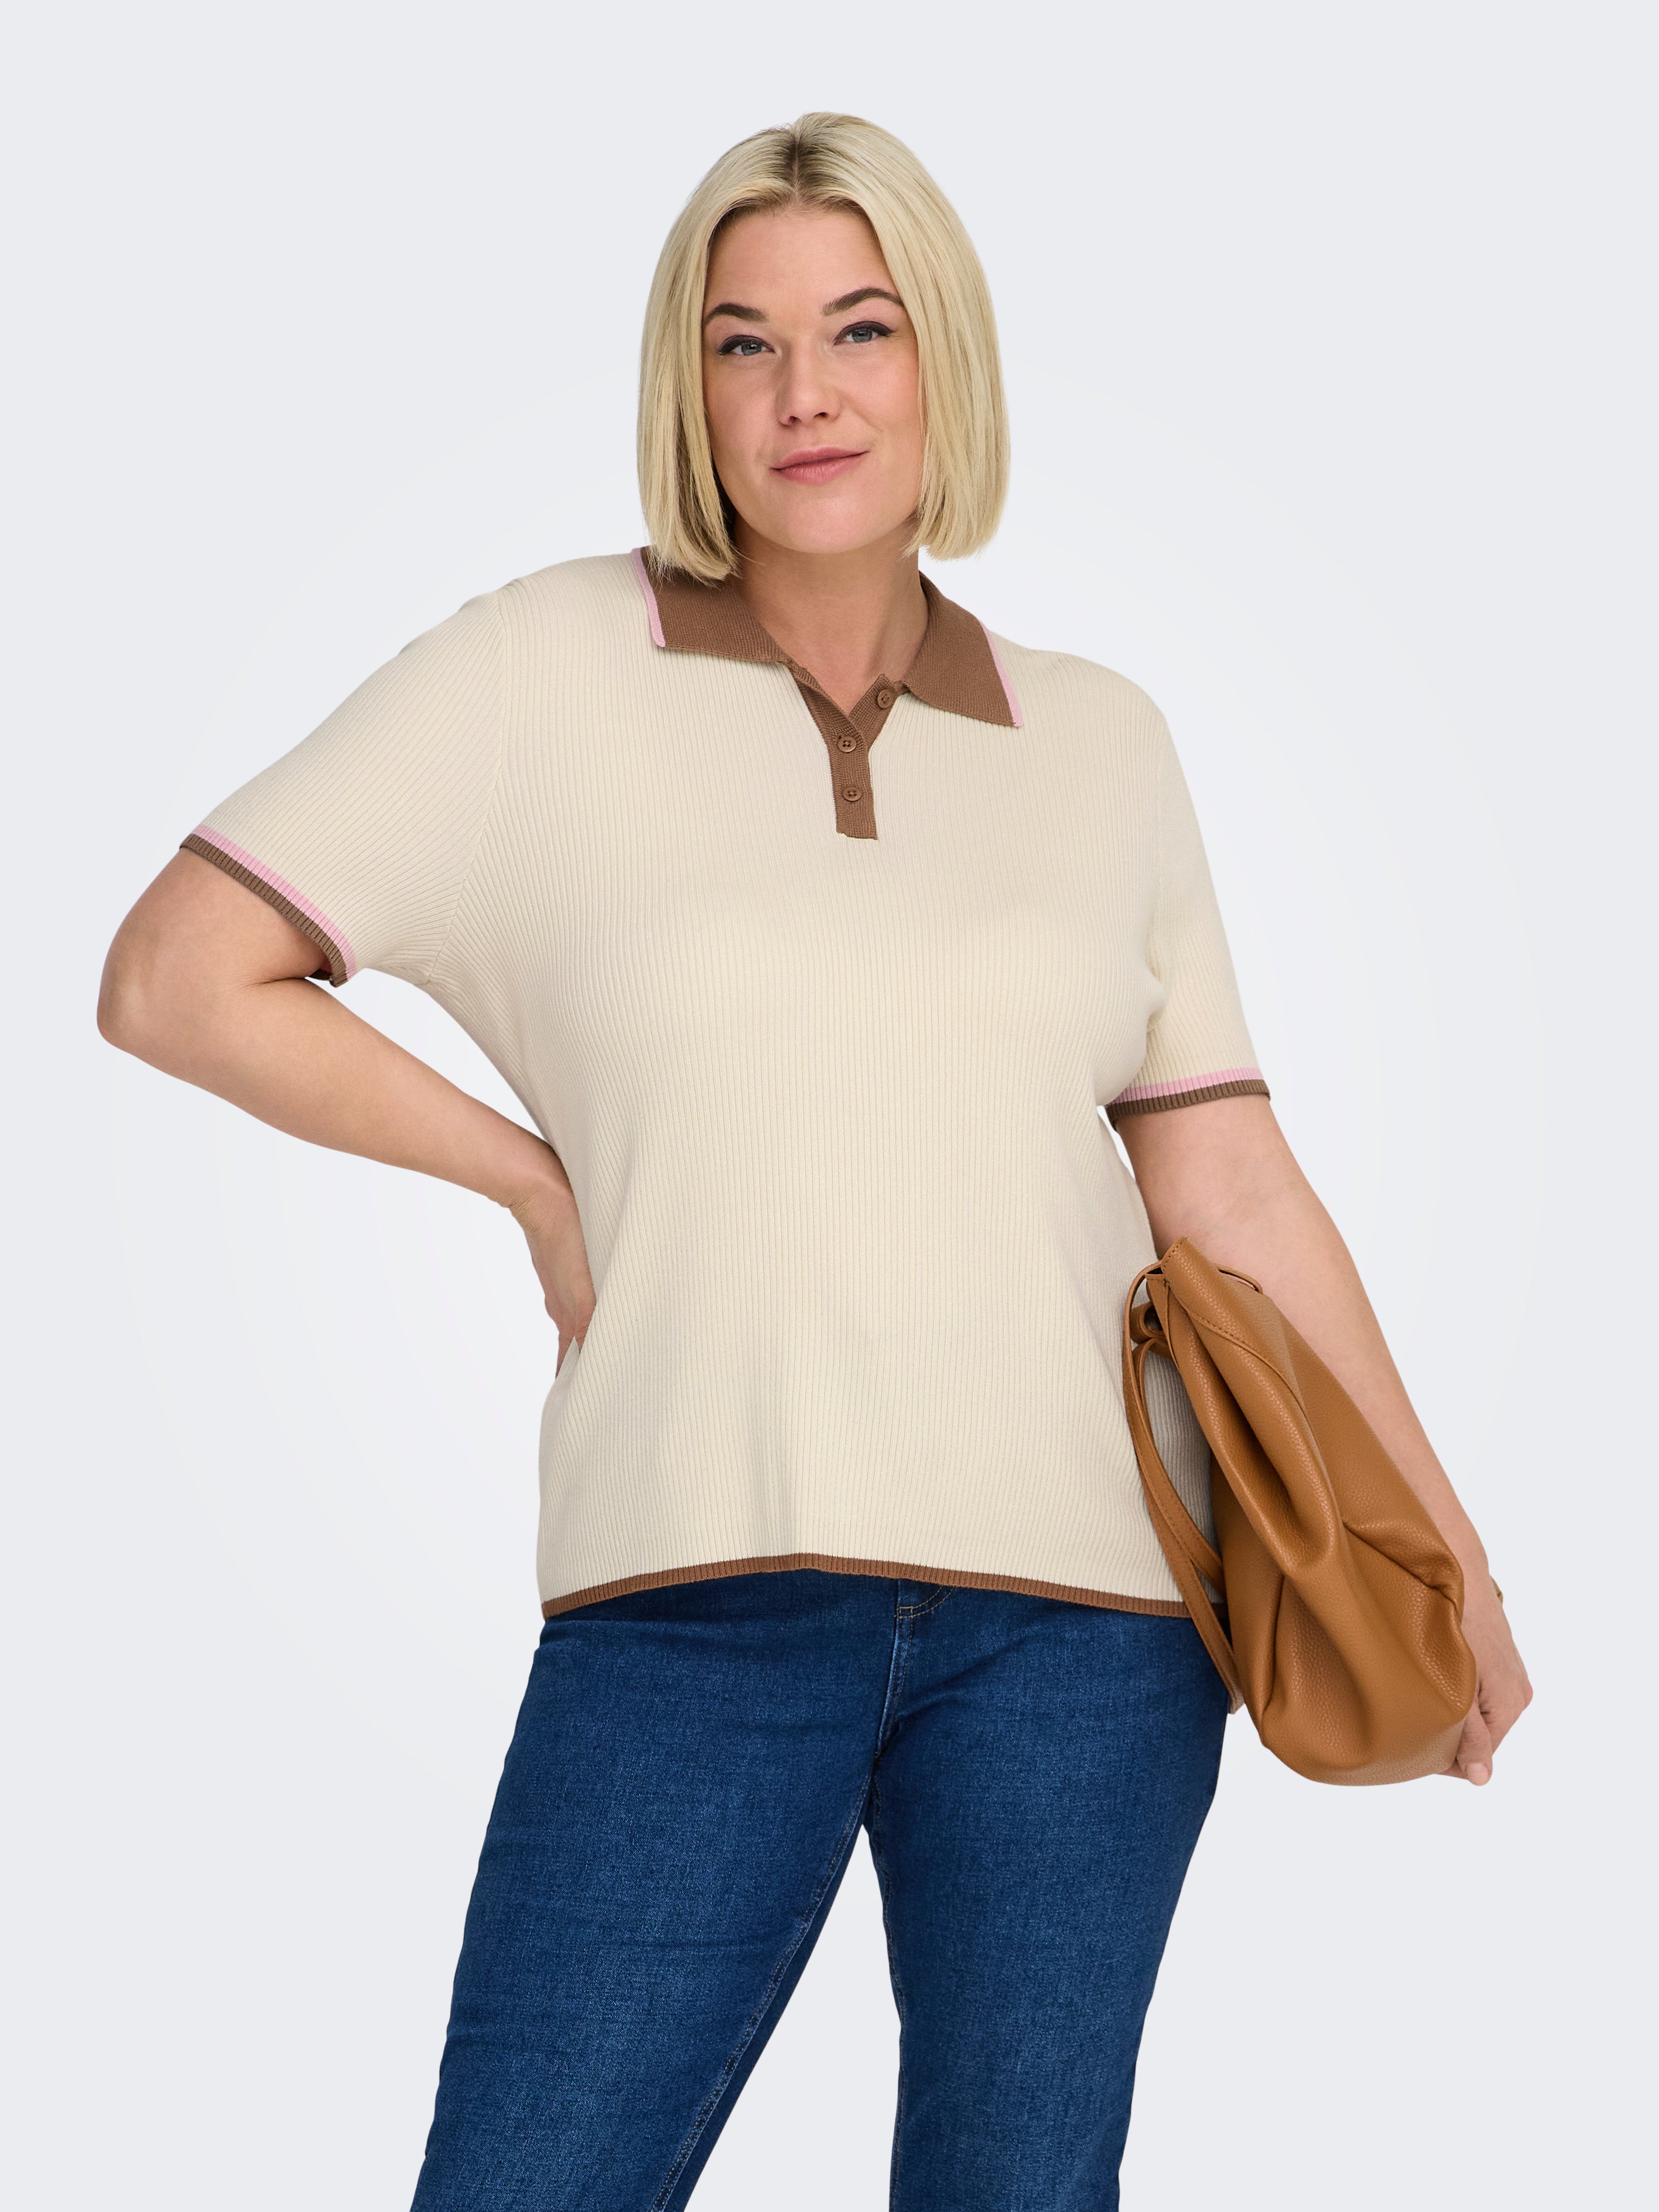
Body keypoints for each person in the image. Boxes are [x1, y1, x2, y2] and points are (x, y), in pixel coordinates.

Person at [98, 112, 1532, 2211]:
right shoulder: (535, 665)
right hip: (694, 1601)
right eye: (741, 341)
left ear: (943, 357)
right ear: (685, 388)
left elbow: (1227, 1185)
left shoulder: (1101, 739)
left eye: (860, 329)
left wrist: (1447, 1557)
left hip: (1092, 1629)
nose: (805, 393)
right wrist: (530, 1181)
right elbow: (175, 977)